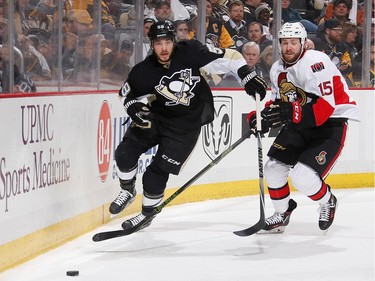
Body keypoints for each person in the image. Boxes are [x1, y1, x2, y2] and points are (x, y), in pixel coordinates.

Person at [110, 20, 268, 231]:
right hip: (156, 118)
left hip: (185, 127)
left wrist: (246, 75)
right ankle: (127, 190)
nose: (164, 48)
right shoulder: (143, 71)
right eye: (158, 43)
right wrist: (134, 109)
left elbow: (232, 57)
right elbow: (126, 96)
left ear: (174, 41)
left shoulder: (191, 51)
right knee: (124, 154)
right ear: (151, 45)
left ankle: (147, 214)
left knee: (155, 175)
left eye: (168, 42)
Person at [249, 22, 359, 233]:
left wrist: (290, 112)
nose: (288, 47)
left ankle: (327, 200)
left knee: (302, 176)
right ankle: (282, 213)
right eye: (284, 43)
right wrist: (261, 118)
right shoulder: (277, 68)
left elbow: (325, 108)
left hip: (329, 123)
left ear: (302, 43)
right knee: (273, 169)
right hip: (300, 123)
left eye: (293, 42)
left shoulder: (316, 62)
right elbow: (278, 103)